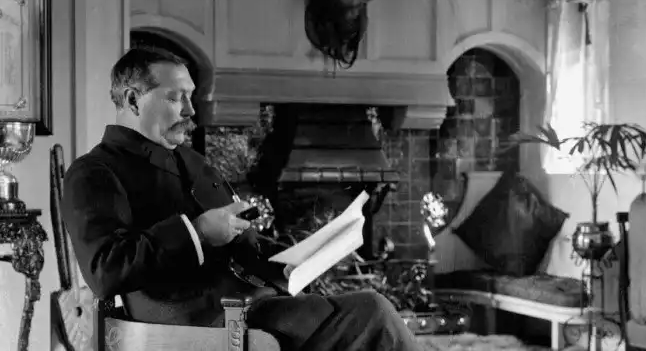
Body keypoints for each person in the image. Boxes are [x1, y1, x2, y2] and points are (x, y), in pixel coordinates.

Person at [60, 47, 423, 351]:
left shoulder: (190, 160)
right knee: (372, 313)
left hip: (257, 308)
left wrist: (292, 260)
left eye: (190, 96)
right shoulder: (95, 172)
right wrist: (198, 232)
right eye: (175, 97)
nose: (190, 111)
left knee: (369, 314)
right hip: (203, 326)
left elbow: (238, 243)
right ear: (132, 100)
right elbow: (105, 270)